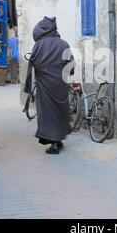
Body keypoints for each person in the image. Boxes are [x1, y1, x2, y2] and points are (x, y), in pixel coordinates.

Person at [24, 17, 74, 154]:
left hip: (45, 85)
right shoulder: (64, 44)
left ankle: (54, 145)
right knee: (60, 112)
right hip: (60, 85)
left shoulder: (38, 45)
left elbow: (34, 62)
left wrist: (43, 72)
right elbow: (71, 65)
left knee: (48, 114)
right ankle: (58, 140)